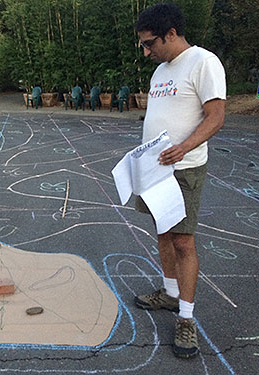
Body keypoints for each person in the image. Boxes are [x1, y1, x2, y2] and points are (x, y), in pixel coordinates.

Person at [134, 3, 226, 359]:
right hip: (154, 168)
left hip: (183, 169)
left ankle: (186, 318)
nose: (146, 51)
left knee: (184, 241)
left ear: (171, 33)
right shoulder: (160, 71)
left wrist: (183, 147)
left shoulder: (203, 62)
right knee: (162, 232)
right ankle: (170, 293)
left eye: (150, 42)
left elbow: (216, 116)